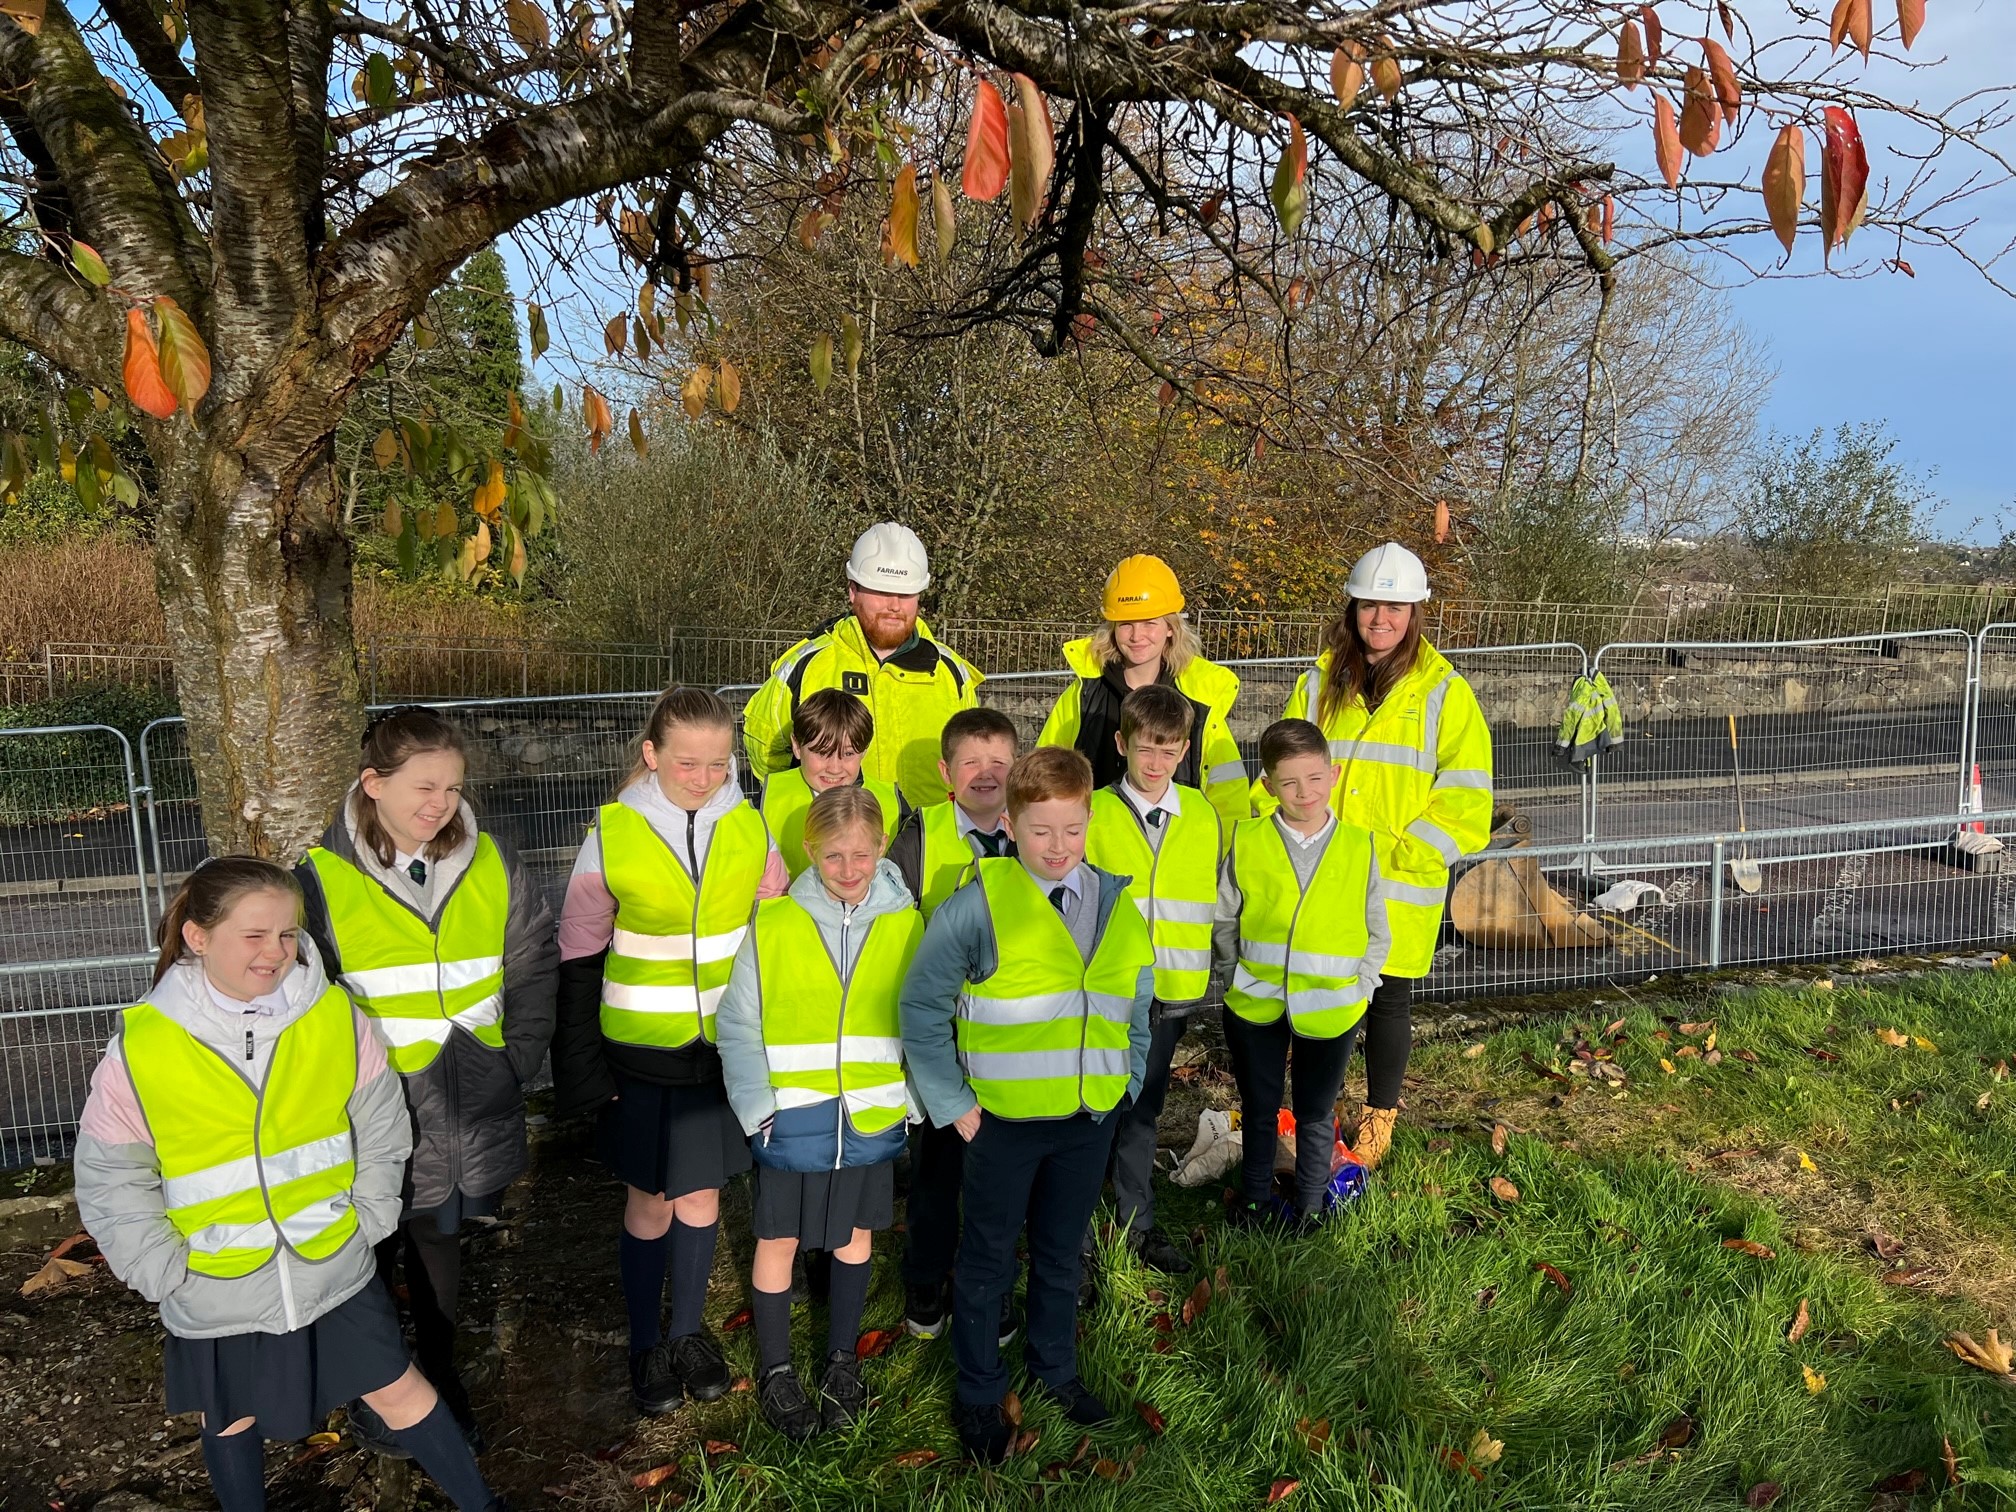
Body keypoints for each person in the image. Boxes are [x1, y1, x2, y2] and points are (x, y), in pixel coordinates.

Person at [74, 860, 502, 1512]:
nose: (275, 952)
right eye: (254, 935)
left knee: (400, 1388)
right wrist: (160, 1268)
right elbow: (111, 1175)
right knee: (231, 1417)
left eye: (287, 934)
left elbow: (382, 1127)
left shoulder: (333, 1015)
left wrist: (368, 1216)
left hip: (332, 1262)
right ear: (196, 937)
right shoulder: (144, 1047)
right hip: (214, 1282)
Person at [297, 708, 557, 1451]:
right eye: (422, 785)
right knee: (368, 1261)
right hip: (376, 1116)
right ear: (371, 784)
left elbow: (532, 959)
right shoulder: (319, 882)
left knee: (440, 1250)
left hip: (469, 1101)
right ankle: (378, 1393)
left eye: (450, 786)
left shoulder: (491, 862)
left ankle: (441, 1383)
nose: (439, 801)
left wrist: (518, 1058)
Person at [901, 747, 1155, 1463]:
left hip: (1086, 1120)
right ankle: (979, 1392)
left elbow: (1135, 1001)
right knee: (985, 1261)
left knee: (1058, 1254)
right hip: (1002, 1123)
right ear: (1009, 825)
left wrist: (1126, 1082)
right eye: (1041, 831)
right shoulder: (978, 904)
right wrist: (950, 1101)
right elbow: (922, 1005)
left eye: (1071, 831)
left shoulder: (1115, 901)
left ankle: (1055, 1370)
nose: (1058, 847)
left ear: (1090, 822)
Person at [550, 688, 788, 1417]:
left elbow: (772, 943)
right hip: (639, 1054)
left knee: (704, 1193)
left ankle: (688, 1334)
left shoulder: (750, 828)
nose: (703, 776)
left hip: (719, 1052)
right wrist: (582, 1066)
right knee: (650, 1200)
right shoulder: (614, 832)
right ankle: (645, 1343)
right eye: (687, 761)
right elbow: (578, 956)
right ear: (652, 755)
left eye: (718, 764)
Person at [1268, 542, 1492, 1169]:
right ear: (1353, 607)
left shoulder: (1445, 693)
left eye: (1394, 606)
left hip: (1398, 880)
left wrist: (1408, 850)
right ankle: (1307, 1115)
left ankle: (1379, 1119)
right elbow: (1284, 764)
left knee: (1389, 998)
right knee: (1312, 996)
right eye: (1370, 604)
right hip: (1319, 872)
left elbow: (1467, 799)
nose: (1380, 618)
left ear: (1415, 611)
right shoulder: (1318, 682)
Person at [715, 786, 922, 1440]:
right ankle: (777, 1371)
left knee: (855, 1237)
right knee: (776, 1242)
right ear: (810, 850)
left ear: (882, 847)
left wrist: (911, 1103)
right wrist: (758, 1112)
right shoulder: (773, 925)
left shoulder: (907, 924)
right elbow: (738, 1026)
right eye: (833, 856)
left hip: (870, 1117)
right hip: (791, 1120)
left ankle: (841, 1361)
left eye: (862, 854)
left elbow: (924, 1020)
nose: (849, 868)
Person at [1214, 720, 1389, 1229]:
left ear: (1334, 775)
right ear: (1267, 785)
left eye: (1314, 779)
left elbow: (1376, 926)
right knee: (1260, 1103)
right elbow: (1226, 917)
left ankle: (1312, 1205)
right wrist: (1231, 976)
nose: (1304, 793)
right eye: (1288, 782)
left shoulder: (1360, 845)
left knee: (1316, 1109)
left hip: (1333, 1006)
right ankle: (1255, 1203)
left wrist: (1363, 985)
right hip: (1255, 1001)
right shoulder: (1248, 840)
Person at [884, 706, 1020, 1341]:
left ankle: (992, 1285)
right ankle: (925, 1278)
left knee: (1001, 1177)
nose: (986, 775)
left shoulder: (1036, 833)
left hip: (1017, 1039)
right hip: (945, 1039)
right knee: (937, 1171)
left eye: (999, 763)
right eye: (972, 763)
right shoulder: (919, 836)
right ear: (945, 771)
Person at [1082, 685, 1222, 1276]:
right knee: (1095, 1110)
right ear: (1121, 745)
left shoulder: (1202, 815)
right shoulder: (1096, 812)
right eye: (1145, 750)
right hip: (1112, 992)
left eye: (1168, 752)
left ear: (1184, 751)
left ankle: (1136, 1223)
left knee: (1144, 1108)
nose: (1156, 763)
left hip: (1171, 992)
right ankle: (1080, 1236)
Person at [742, 522, 983, 809]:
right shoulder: (807, 665)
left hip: (927, 847)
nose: (894, 605)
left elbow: (974, 761)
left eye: (905, 594)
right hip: (834, 843)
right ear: (853, 591)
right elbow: (764, 745)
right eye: (881, 591)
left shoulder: (950, 672)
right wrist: (801, 808)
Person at [1037, 554, 1250, 834]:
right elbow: (1044, 774)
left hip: (1176, 849)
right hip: (1096, 848)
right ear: (1112, 629)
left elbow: (1227, 789)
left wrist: (1224, 855)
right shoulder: (1083, 695)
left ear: (1171, 628)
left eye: (1149, 623)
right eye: (1126, 624)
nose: (1137, 636)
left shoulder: (1200, 698)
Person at [758, 689, 906, 880]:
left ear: (864, 751)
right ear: (796, 746)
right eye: (822, 753)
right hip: (791, 908)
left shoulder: (894, 803)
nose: (835, 768)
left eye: (848, 754)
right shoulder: (767, 798)